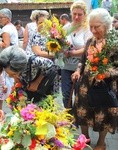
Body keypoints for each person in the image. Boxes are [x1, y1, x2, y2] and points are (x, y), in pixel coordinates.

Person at [72, 8, 118, 150]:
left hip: (106, 86)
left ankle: (101, 142)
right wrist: (78, 70)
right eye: (90, 26)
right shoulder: (90, 41)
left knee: (103, 114)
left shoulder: (115, 42)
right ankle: (85, 138)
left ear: (107, 24)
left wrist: (107, 73)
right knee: (82, 111)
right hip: (85, 85)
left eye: (96, 26)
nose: (92, 30)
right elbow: (83, 60)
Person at [61, 0, 92, 108]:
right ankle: (68, 120)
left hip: (81, 66)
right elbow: (60, 44)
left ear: (84, 15)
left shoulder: (87, 29)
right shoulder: (66, 28)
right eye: (74, 14)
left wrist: (72, 53)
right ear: (71, 13)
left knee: (79, 96)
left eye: (80, 14)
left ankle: (77, 120)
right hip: (66, 66)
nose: (77, 17)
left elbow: (87, 48)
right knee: (65, 95)